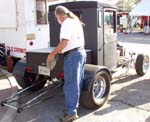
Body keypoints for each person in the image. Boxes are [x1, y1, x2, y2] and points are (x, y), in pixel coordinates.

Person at [48, 5, 86, 122]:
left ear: (59, 16)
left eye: (56, 18)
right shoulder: (75, 21)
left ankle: (71, 113)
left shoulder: (66, 23)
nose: (57, 20)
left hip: (72, 56)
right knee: (76, 84)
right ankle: (73, 108)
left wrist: (52, 54)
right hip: (80, 53)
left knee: (70, 85)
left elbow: (65, 42)